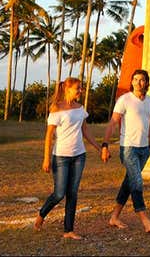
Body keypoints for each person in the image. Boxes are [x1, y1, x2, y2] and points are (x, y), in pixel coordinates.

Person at [34, 77, 101, 239]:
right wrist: (46, 159)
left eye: (81, 88)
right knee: (59, 193)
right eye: (78, 88)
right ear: (67, 89)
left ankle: (68, 230)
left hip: (79, 156)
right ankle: (41, 215)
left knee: (73, 193)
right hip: (61, 157)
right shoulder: (56, 108)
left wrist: (99, 148)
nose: (80, 91)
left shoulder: (80, 108)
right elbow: (49, 136)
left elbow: (85, 131)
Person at [101, 68, 150, 232]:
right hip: (128, 148)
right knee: (137, 182)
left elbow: (148, 123)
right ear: (132, 82)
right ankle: (145, 221)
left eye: (141, 80)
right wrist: (105, 145)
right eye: (135, 79)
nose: (138, 82)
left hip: (144, 149)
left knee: (129, 183)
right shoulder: (124, 100)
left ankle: (114, 217)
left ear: (146, 83)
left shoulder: (149, 100)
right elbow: (113, 123)